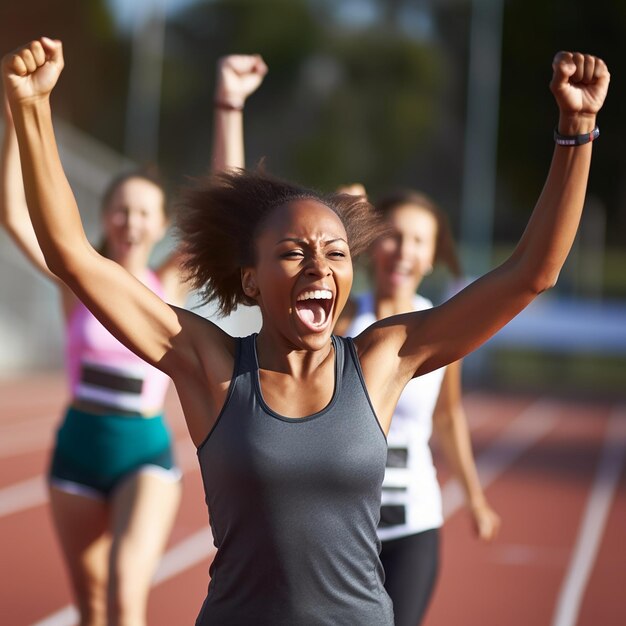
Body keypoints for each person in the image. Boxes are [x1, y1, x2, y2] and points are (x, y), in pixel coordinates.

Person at [3, 37, 609, 625]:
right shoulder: (210, 367)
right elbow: (74, 257)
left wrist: (575, 135)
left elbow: (532, 272)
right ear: (250, 281)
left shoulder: (382, 360)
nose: (319, 266)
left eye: (336, 253)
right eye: (294, 252)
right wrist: (32, 110)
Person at [0, 49, 266, 626]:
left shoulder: (163, 282)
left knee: (126, 591)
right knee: (93, 607)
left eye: (144, 212)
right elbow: (18, 216)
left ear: (159, 221)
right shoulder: (76, 280)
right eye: (121, 209)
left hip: (141, 452)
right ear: (106, 214)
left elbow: (225, 211)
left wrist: (229, 105)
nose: (131, 221)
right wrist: (15, 111)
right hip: (75, 448)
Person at [335, 188, 501, 625]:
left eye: (418, 241)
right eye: (392, 235)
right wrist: (344, 217)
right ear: (372, 245)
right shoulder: (342, 318)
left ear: (431, 258)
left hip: (414, 522)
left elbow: (447, 417)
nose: (404, 251)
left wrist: (475, 500)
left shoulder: (442, 327)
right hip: (342, 524)